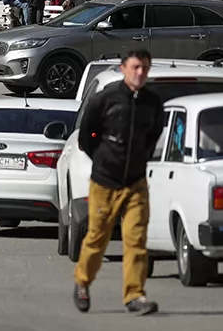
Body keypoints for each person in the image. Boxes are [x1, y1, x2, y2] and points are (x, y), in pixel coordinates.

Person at [73, 49, 163, 316]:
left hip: (136, 183)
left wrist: (139, 161)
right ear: (124, 68)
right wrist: (104, 160)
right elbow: (87, 138)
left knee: (136, 239)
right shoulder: (106, 98)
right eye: (135, 67)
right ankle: (82, 282)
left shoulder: (152, 102)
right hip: (105, 182)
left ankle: (135, 295)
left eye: (145, 68)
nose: (140, 73)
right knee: (97, 237)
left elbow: (153, 136)